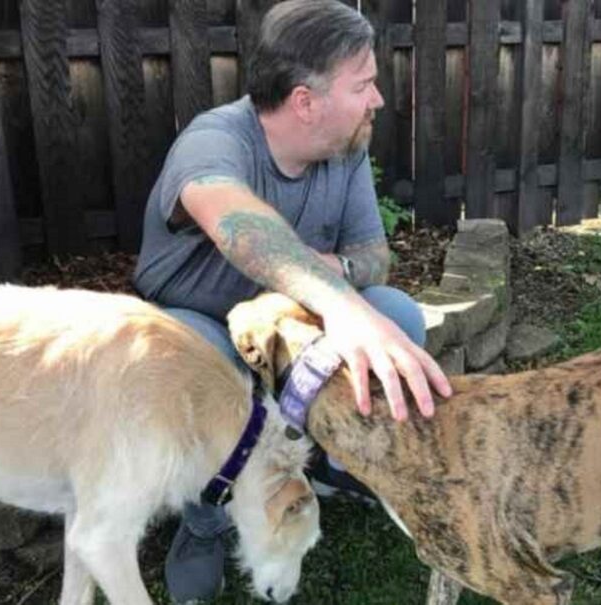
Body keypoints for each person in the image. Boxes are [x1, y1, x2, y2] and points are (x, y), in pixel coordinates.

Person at [132, 0, 452, 601]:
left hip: (291, 321)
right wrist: (344, 306)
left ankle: (331, 464)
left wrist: (325, 284)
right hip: (196, 323)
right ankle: (205, 520)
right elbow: (238, 225)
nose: (377, 100)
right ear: (305, 101)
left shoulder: (346, 148)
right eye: (364, 85)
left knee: (400, 315)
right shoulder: (214, 141)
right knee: (197, 369)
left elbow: (373, 256)